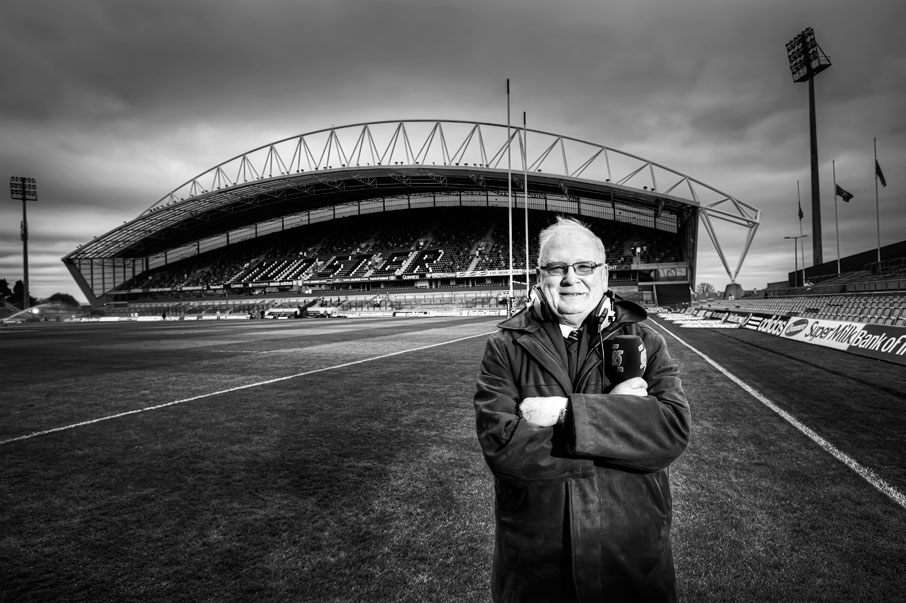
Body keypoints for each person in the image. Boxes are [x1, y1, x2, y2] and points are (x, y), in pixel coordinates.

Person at [473, 216, 691, 602]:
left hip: (632, 566)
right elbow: (503, 449)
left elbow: (670, 432)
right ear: (541, 277)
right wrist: (620, 426)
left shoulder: (645, 341)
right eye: (557, 268)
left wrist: (564, 413)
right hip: (535, 572)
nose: (572, 278)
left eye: (585, 266)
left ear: (604, 275)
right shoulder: (505, 346)